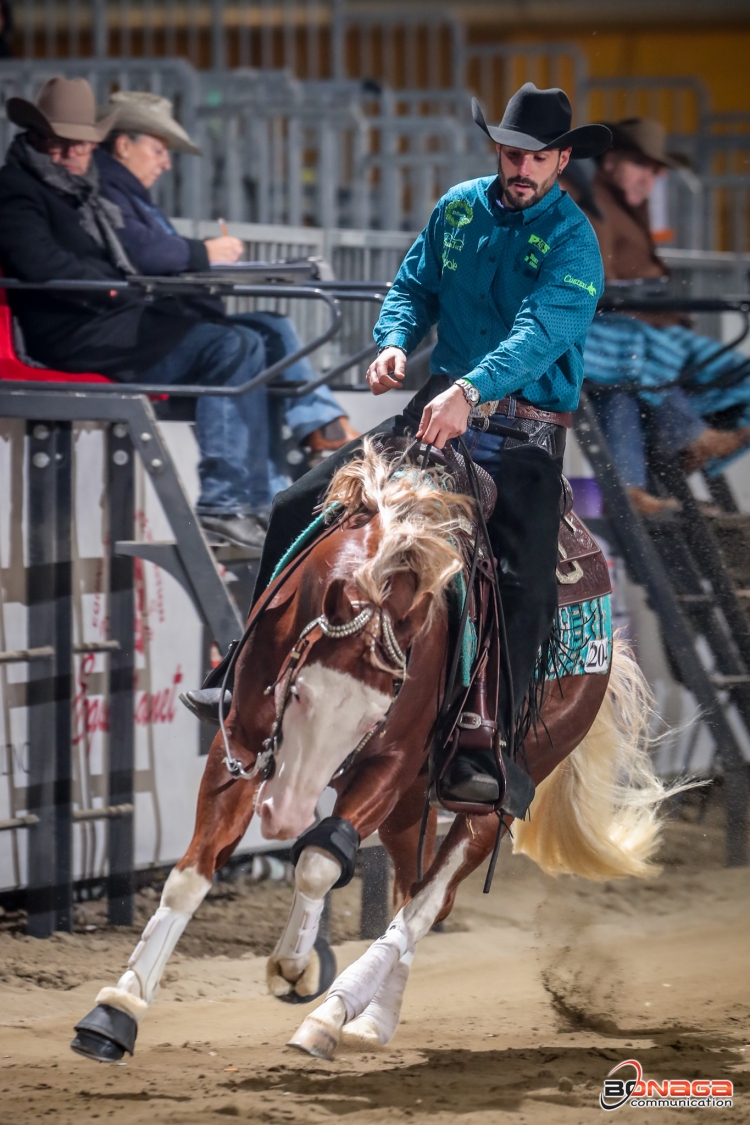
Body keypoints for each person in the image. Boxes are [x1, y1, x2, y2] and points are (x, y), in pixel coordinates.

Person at [185, 83, 610, 807]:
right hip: (437, 407)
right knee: (297, 504)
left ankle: (492, 740)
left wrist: (469, 390)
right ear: (496, 150)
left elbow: (542, 332)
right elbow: (413, 285)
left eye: (536, 158)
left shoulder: (574, 241)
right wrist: (391, 341)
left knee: (524, 575)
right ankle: (247, 673)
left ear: (561, 160)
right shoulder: (457, 208)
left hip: (523, 432)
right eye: (510, 153)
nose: (520, 167)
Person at [0, 77, 282, 554]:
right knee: (232, 345)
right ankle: (224, 505)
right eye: (60, 142)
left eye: (83, 144)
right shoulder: (17, 189)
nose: (73, 153)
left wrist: (124, 286)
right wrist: (117, 285)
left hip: (110, 319)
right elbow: (41, 264)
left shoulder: (82, 191)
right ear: (36, 138)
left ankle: (247, 500)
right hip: (72, 332)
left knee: (255, 337)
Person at [93, 91, 357, 475]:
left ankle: (321, 430)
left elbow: (152, 252)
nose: (166, 163)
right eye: (157, 150)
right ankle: (302, 448)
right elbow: (146, 253)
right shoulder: (108, 192)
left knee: (272, 327)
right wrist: (206, 253)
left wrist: (201, 256)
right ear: (122, 145)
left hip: (158, 325)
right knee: (246, 346)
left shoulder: (125, 194)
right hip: (145, 335)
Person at [564, 118, 750, 514]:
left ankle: (658, 470)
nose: (651, 179)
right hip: (613, 331)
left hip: (637, 331)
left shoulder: (624, 202)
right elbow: (594, 282)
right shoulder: (592, 202)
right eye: (642, 166)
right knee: (634, 360)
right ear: (611, 161)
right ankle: (690, 441)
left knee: (629, 386)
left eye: (656, 171)